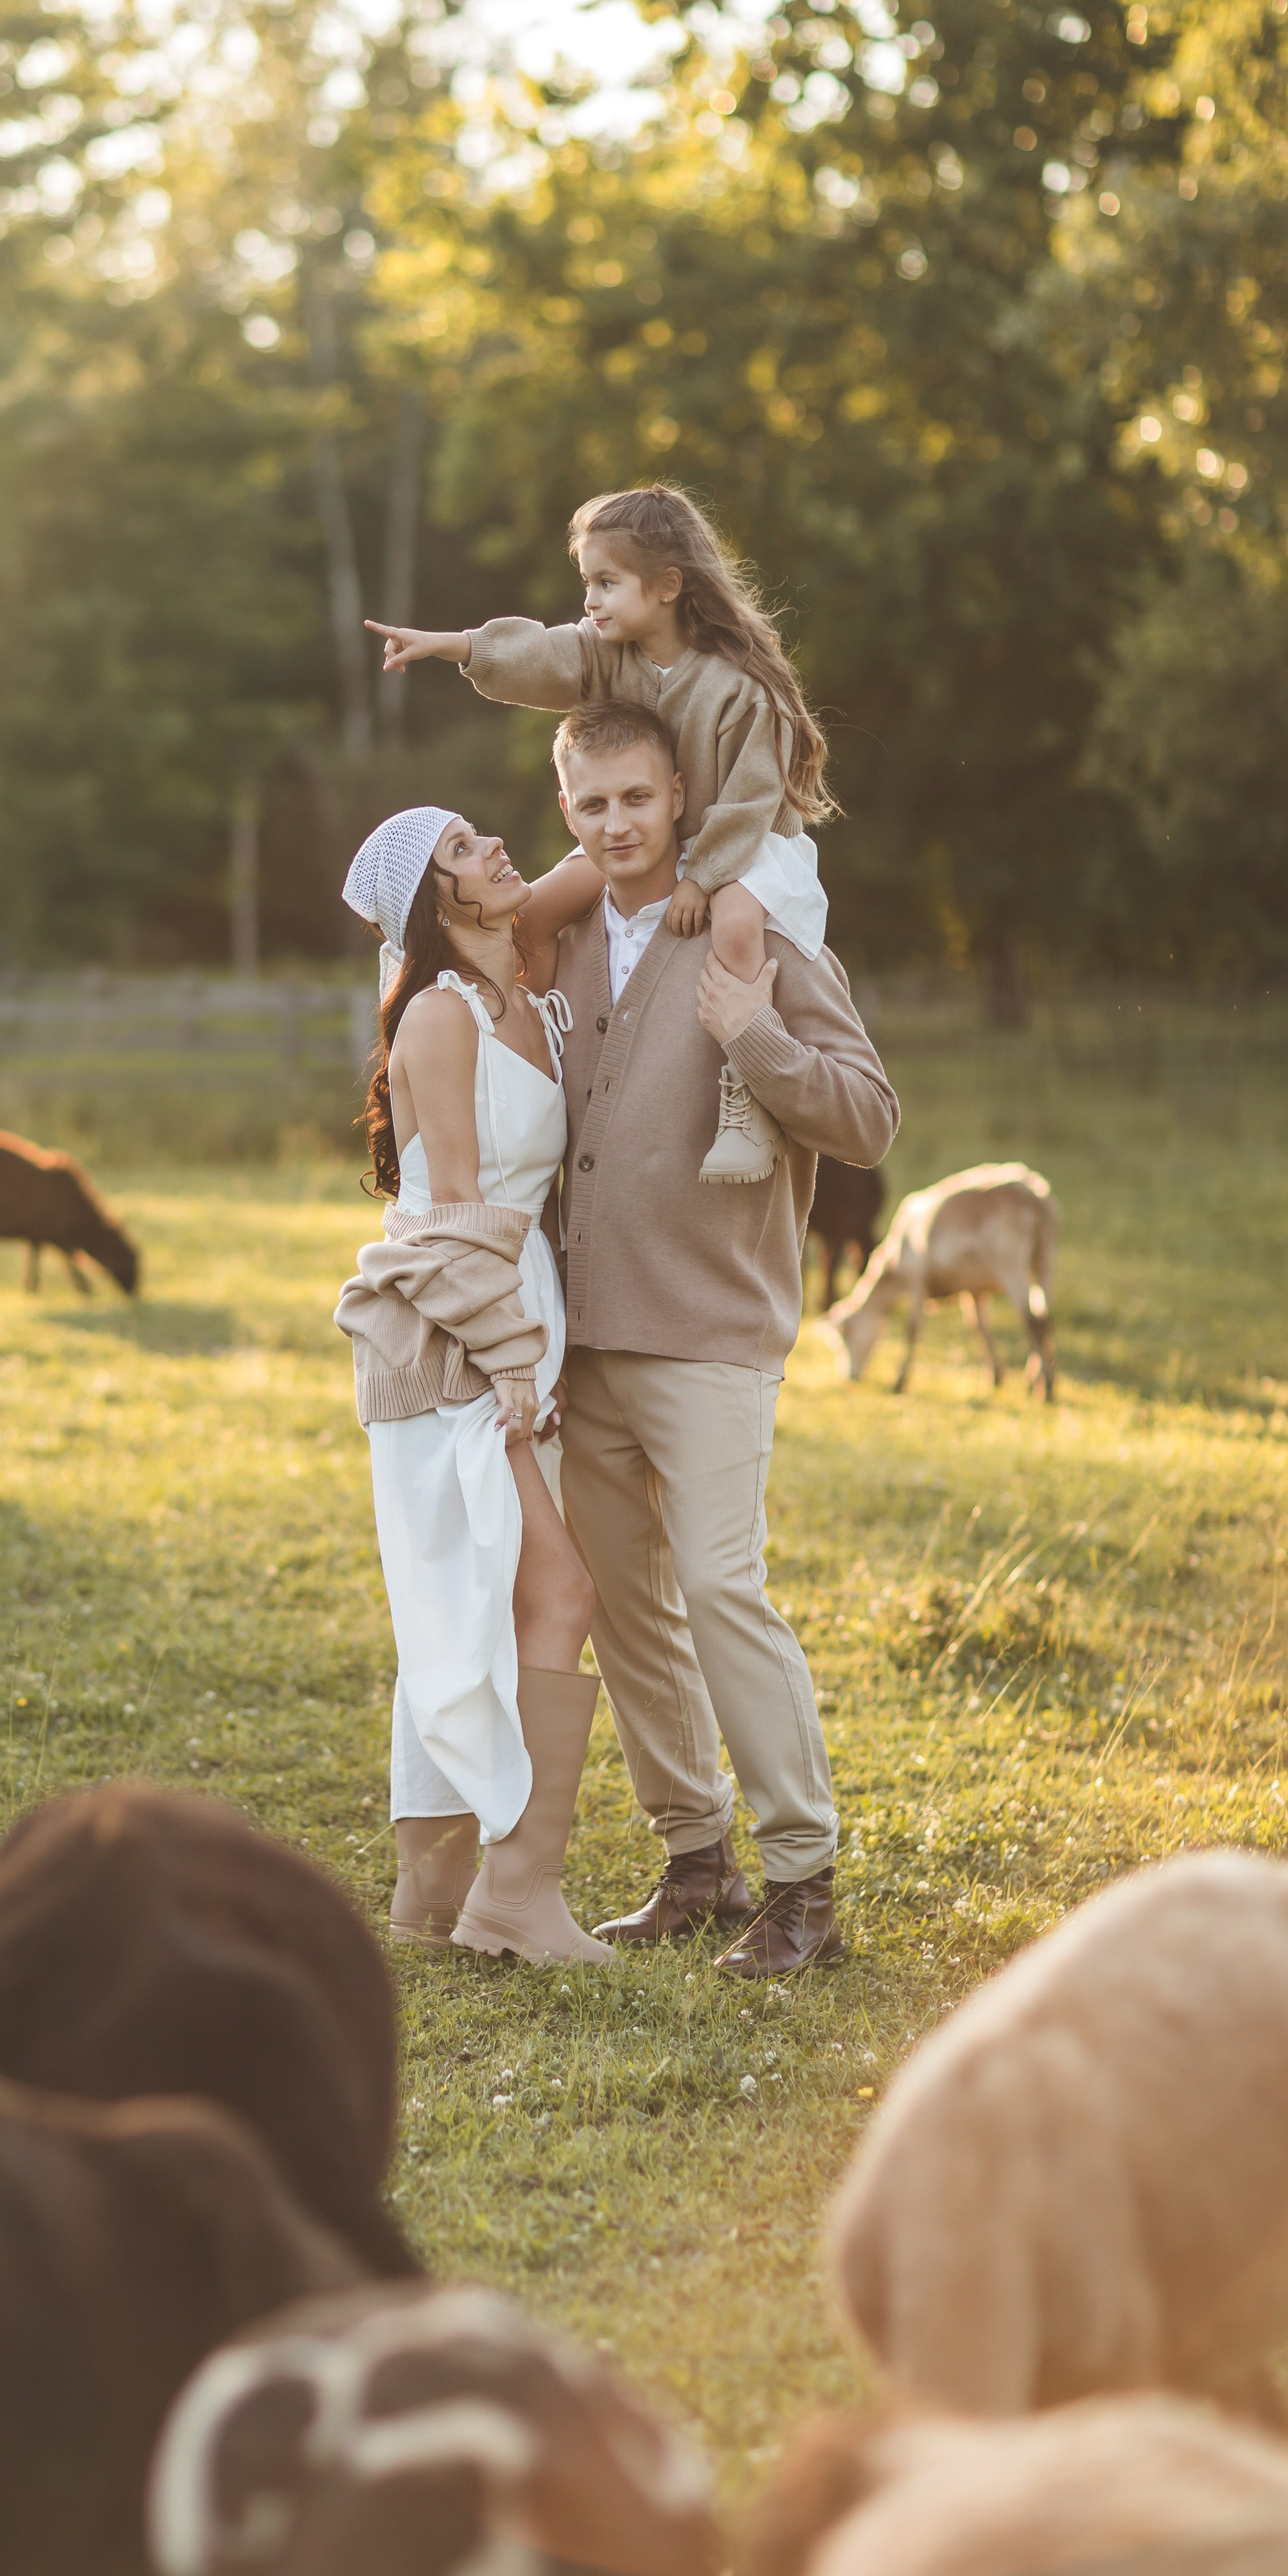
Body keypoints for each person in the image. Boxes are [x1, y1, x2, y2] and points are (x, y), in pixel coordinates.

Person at [547, 699, 899, 1976]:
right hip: (582, 1344)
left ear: (680, 799)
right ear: (568, 813)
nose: (616, 824)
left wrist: (750, 1030)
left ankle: (803, 1883)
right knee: (621, 1605)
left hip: (712, 1335)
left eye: (636, 798)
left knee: (718, 1587)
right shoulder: (568, 935)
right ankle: (695, 1859)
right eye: (591, 805)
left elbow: (867, 1117)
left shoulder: (762, 931)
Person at [366, 481, 835, 1189]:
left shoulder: (739, 689)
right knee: (534, 912)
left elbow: (748, 802)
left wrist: (701, 878)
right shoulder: (608, 652)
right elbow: (547, 653)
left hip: (741, 848)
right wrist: (457, 646)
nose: (589, 600)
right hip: (644, 839)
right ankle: (541, 1054)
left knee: (737, 926)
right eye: (587, 581)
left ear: (668, 586)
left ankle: (746, 1104)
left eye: (606, 582)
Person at [333, 806, 610, 1968]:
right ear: (437, 909)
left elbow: (615, 843)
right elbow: (448, 1219)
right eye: (462, 852)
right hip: (456, 1335)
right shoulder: (443, 1018)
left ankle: (429, 1896)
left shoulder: (527, 986)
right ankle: (515, 1895)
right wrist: (509, 1361)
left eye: (478, 831)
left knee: (475, 1599)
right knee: (541, 1594)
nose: (493, 847)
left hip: (517, 1321)